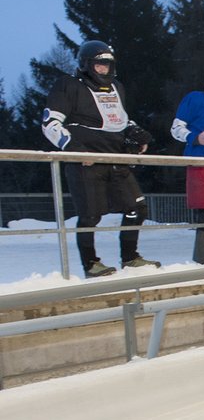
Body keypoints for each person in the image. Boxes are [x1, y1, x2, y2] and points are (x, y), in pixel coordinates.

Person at [41, 40, 159, 278]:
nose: (104, 70)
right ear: (86, 65)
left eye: (107, 65)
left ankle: (130, 257)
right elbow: (50, 123)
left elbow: (121, 120)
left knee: (137, 207)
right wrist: (75, 149)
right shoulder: (68, 85)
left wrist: (135, 134)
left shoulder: (117, 87)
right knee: (90, 214)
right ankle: (91, 263)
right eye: (99, 65)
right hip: (87, 161)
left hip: (116, 160)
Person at [171, 60, 204, 264]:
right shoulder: (196, 99)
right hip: (201, 162)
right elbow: (176, 128)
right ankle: (203, 258)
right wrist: (196, 137)